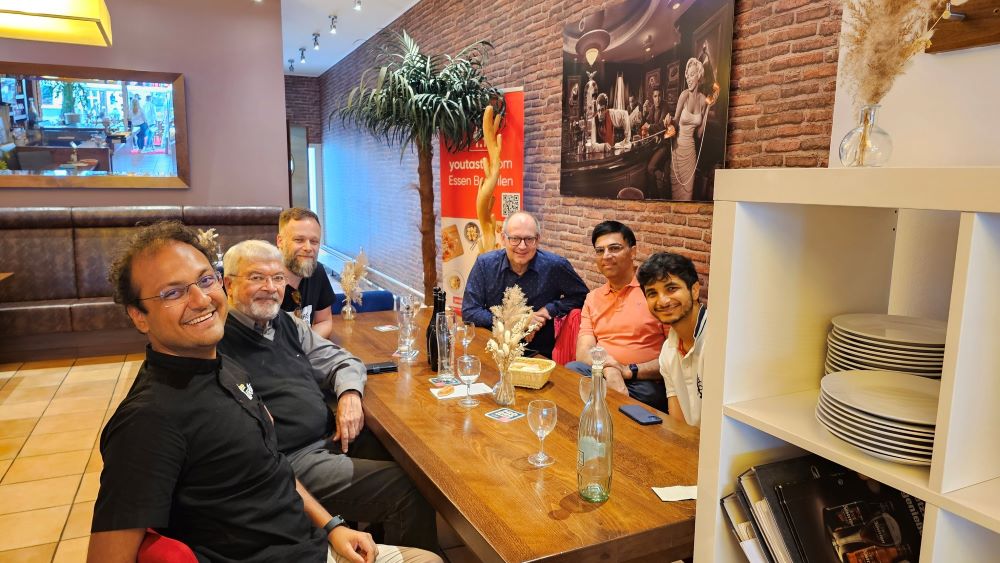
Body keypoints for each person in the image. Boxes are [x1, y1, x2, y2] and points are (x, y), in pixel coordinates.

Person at [90, 221, 441, 563]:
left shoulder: (224, 369)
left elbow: (272, 465)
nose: (200, 299)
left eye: (203, 280)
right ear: (138, 316)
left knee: (415, 467)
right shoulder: (147, 421)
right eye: (173, 292)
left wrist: (332, 527)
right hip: (297, 528)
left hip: (312, 541)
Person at [218, 239, 439, 554]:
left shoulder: (286, 324)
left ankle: (384, 543)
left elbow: (342, 360)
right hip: (294, 458)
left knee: (410, 456)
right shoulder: (218, 340)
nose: (270, 287)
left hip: (329, 434)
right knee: (409, 490)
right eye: (256, 278)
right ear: (228, 283)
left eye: (278, 278)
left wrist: (349, 394)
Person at [566, 221, 668, 412]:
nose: (606, 256)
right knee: (572, 371)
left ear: (633, 252)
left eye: (614, 248)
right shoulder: (593, 298)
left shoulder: (654, 293)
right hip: (601, 374)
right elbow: (583, 352)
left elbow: (675, 356)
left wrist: (628, 371)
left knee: (651, 395)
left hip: (642, 380)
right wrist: (610, 368)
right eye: (600, 250)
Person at [462, 211, 588, 358]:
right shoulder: (485, 264)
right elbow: (469, 311)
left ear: (538, 239)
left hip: (538, 354)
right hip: (492, 348)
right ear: (503, 239)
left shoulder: (555, 266)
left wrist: (549, 309)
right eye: (515, 239)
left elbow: (583, 296)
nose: (522, 246)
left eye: (529, 239)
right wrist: (518, 320)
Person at [637, 252, 708, 427]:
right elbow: (678, 426)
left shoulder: (718, 342)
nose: (663, 301)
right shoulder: (668, 351)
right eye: (652, 293)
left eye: (671, 288)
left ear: (694, 290)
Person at [278, 207, 336, 339]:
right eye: (299, 240)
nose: (308, 248)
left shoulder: (317, 271)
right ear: (280, 241)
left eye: (314, 241)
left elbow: (324, 321)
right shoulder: (263, 279)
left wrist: (305, 345)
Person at [669, 57, 719, 201]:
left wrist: (708, 108)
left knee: (687, 197)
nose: (689, 79)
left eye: (692, 75)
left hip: (690, 153)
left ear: (699, 76)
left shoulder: (703, 100)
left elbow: (699, 134)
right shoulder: (683, 95)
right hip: (678, 151)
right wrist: (668, 122)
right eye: (687, 75)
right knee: (676, 197)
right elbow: (675, 123)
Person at [643, 88, 672, 199]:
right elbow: (646, 122)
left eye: (659, 95)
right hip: (656, 145)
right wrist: (644, 112)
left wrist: (649, 127)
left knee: (650, 168)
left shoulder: (665, 107)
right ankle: (655, 190)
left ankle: (654, 197)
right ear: (652, 98)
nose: (657, 99)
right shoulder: (652, 108)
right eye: (655, 96)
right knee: (644, 162)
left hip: (665, 145)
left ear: (662, 96)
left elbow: (661, 126)